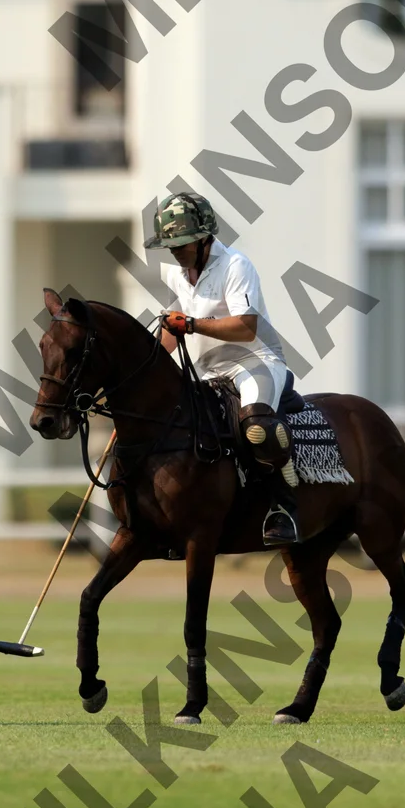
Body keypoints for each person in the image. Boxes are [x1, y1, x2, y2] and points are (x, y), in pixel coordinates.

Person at [146, 192, 301, 547]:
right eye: (170, 245)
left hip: (255, 363)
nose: (175, 251)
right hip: (208, 374)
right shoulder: (179, 275)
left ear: (204, 237)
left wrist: (191, 324)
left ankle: (285, 508)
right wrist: (145, 368)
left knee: (258, 427)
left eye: (181, 243)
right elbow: (172, 330)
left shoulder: (236, 266)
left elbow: (245, 327)